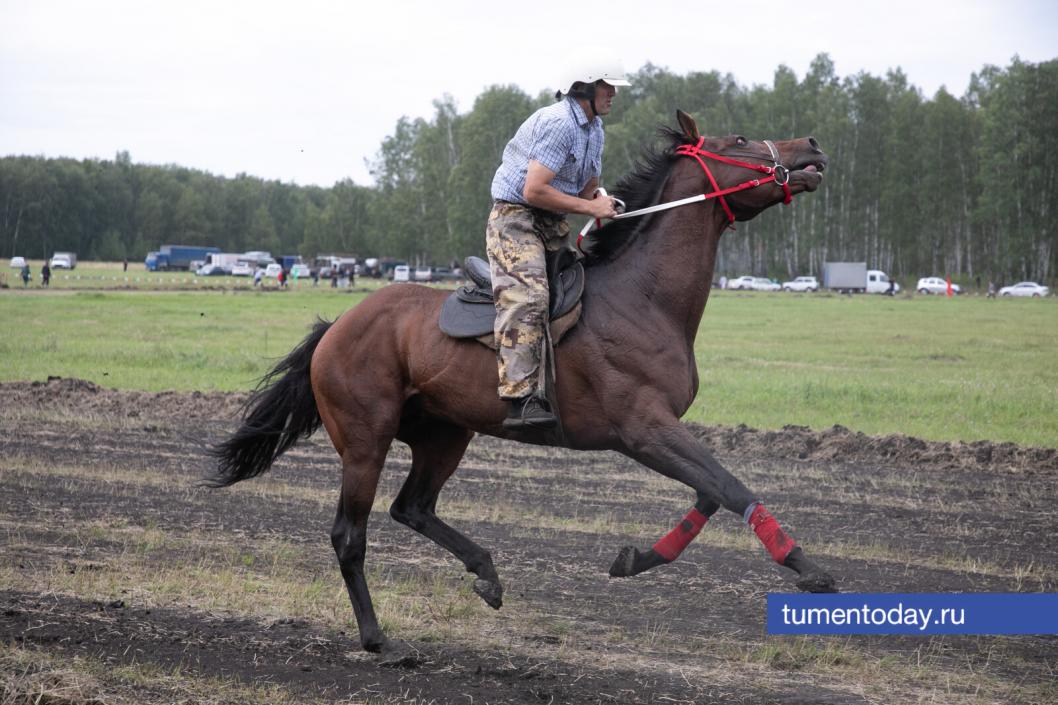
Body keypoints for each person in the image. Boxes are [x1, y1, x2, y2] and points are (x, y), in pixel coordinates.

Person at [487, 52, 629, 430]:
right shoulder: (559, 124)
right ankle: (520, 399)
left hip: (552, 224)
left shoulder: (594, 129)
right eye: (607, 85)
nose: (613, 92)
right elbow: (534, 190)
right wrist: (589, 205)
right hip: (515, 221)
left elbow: (586, 190)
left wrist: (602, 201)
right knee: (530, 298)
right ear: (584, 87)